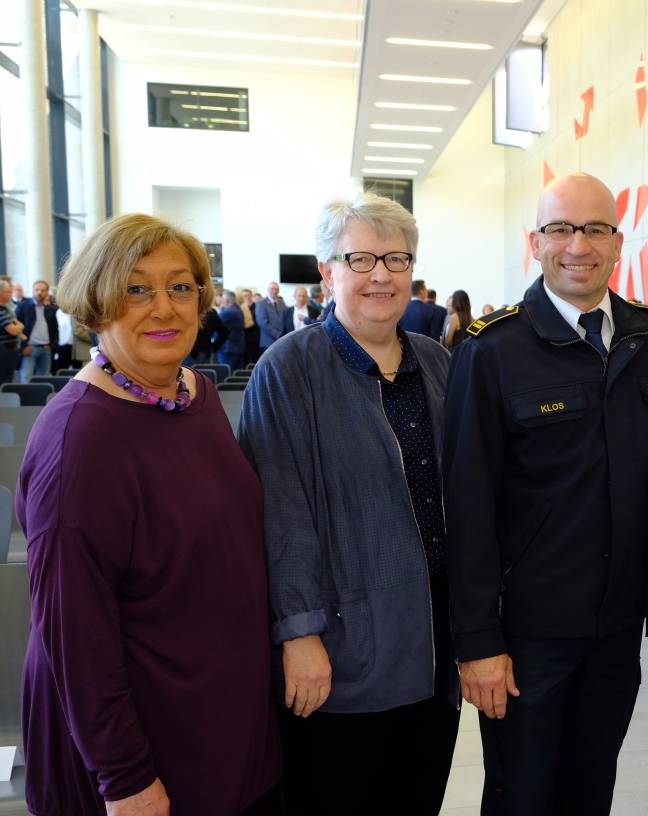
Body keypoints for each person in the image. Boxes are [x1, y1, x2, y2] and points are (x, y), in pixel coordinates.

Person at [17, 213, 280, 816]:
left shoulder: (194, 393)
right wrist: (125, 778)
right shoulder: (78, 443)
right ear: (98, 302)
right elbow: (74, 638)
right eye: (137, 288)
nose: (164, 307)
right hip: (140, 753)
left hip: (213, 721)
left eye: (180, 287)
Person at [444, 172, 648, 816]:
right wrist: (479, 641)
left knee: (591, 789)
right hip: (525, 636)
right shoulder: (493, 349)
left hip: (618, 625)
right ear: (535, 243)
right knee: (521, 796)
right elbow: (466, 505)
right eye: (561, 229)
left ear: (617, 241)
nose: (579, 244)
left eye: (595, 228)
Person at [240, 191, 458, 815]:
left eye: (397, 259)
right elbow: (281, 515)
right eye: (360, 258)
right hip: (340, 649)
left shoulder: (437, 364)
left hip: (433, 642)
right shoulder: (288, 371)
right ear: (327, 271)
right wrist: (298, 635)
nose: (381, 275)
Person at [17, 279, 59, 382]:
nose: (39, 292)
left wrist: (52, 346)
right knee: (26, 378)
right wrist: (23, 347)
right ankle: (25, 399)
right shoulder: (24, 306)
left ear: (47, 292)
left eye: (42, 290)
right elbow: (18, 328)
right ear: (32, 291)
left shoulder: (50, 309)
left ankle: (41, 399)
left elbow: (55, 330)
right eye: (37, 290)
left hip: (46, 349)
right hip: (29, 349)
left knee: (43, 379)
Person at [187, 292, 228, 365]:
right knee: (204, 374)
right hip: (204, 352)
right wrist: (214, 347)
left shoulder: (186, 311)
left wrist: (214, 347)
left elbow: (225, 332)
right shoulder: (211, 311)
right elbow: (225, 332)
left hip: (189, 353)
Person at [0, 280, 25, 383]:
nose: (11, 294)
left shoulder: (6, 308)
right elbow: (14, 330)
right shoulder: (1, 310)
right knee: (4, 380)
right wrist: (21, 326)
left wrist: (18, 327)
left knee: (8, 378)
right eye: (8, 292)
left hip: (9, 350)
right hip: (4, 351)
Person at [255, 281, 288, 353]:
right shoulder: (261, 303)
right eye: (272, 289)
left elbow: (286, 318)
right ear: (268, 290)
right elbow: (262, 322)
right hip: (267, 341)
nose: (274, 291)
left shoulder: (282, 302)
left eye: (276, 289)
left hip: (282, 340)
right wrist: (277, 334)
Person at [240, 288, 262, 364]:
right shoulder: (240, 308)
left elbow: (259, 320)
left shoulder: (257, 306)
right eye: (244, 296)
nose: (246, 297)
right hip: (245, 337)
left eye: (247, 295)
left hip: (256, 336)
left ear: (251, 296)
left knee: (256, 359)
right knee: (245, 360)